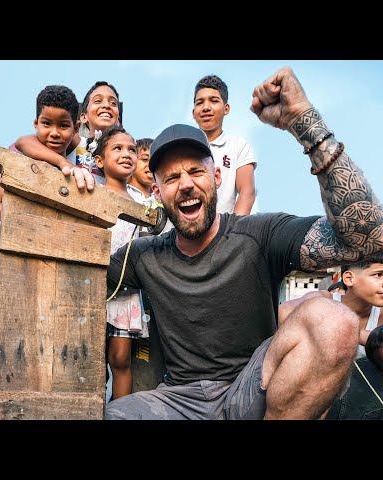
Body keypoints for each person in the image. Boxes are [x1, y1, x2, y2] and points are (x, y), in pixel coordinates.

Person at [104, 67, 382, 420]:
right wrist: (73, 184)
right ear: (157, 193)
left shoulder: (260, 234)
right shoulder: (143, 255)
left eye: (196, 171)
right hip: (178, 401)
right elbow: (79, 271)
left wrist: (304, 122)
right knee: (117, 415)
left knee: (335, 321)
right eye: (172, 178)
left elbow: (366, 236)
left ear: (217, 177)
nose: (186, 184)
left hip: (255, 388)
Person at [93, 126, 147, 399]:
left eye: (132, 150)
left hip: (125, 292)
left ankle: (119, 414)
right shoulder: (91, 192)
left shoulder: (143, 202)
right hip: (93, 286)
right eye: (118, 148)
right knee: (90, 360)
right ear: (100, 160)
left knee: (122, 359)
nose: (127, 154)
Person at [0, 84, 87, 220]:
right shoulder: (23, 163)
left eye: (63, 125)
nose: (54, 133)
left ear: (76, 128)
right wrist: (43, 217)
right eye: (46, 123)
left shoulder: (76, 175)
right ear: (36, 124)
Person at [279, 256, 383, 359]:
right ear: (349, 279)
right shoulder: (322, 300)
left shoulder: (380, 314)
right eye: (378, 275)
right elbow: (283, 312)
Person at [192, 75, 257, 215]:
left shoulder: (238, 146)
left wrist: (233, 232)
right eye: (199, 103)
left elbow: (247, 192)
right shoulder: (182, 146)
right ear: (193, 113)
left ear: (226, 108)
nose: (206, 107)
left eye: (214, 101)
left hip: (224, 231)